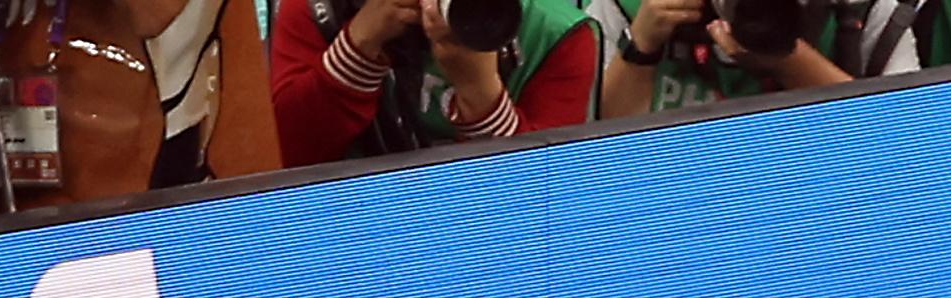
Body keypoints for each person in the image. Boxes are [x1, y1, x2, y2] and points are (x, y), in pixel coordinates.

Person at [273, 0, 600, 160]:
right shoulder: (321, 9)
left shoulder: (554, 34)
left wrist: (480, 91)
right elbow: (282, 155)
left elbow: (542, 196)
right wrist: (360, 44)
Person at [598, 0, 910, 112]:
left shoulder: (864, 15)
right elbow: (586, 156)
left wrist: (789, 60)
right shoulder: (628, 9)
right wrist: (640, 47)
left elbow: (907, 152)